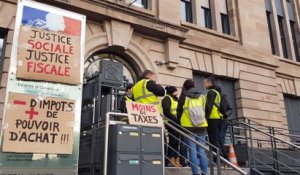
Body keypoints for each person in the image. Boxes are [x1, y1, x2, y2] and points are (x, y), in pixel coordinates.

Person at [177, 79, 208, 175]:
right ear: (194, 86)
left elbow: (179, 111)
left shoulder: (184, 96)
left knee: (192, 151)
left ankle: (195, 173)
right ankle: (205, 173)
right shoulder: (202, 96)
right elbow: (206, 110)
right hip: (202, 126)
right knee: (201, 151)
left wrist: (180, 122)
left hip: (188, 127)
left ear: (185, 86)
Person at [203, 76, 228, 161]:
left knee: (213, 140)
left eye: (205, 82)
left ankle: (217, 159)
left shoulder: (211, 92)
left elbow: (209, 107)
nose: (204, 84)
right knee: (215, 139)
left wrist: (205, 118)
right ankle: (220, 158)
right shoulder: (216, 92)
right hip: (217, 118)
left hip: (212, 118)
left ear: (210, 83)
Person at [162, 86, 182, 167]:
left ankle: (176, 159)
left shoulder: (175, 99)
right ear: (171, 92)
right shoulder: (167, 98)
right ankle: (171, 159)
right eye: (175, 91)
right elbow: (166, 111)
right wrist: (175, 119)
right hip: (171, 123)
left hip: (177, 123)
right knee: (173, 141)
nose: (176, 93)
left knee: (177, 142)